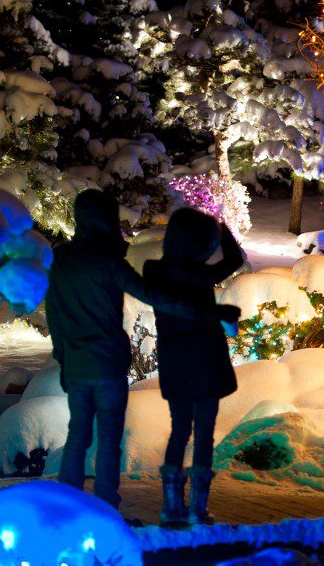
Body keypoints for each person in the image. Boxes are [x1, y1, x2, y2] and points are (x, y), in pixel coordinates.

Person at [45, 190, 226, 509]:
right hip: (108, 364)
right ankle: (106, 509)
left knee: (77, 437)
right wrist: (194, 310)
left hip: (76, 365)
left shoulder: (60, 260)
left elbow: (55, 318)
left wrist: (63, 360)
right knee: (109, 439)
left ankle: (68, 509)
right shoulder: (106, 259)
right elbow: (147, 292)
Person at [144, 208, 244, 526]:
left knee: (179, 431)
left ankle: (170, 506)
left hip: (175, 364)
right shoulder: (201, 274)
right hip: (206, 364)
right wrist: (222, 222)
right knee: (203, 435)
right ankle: (198, 509)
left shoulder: (154, 272)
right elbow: (234, 259)